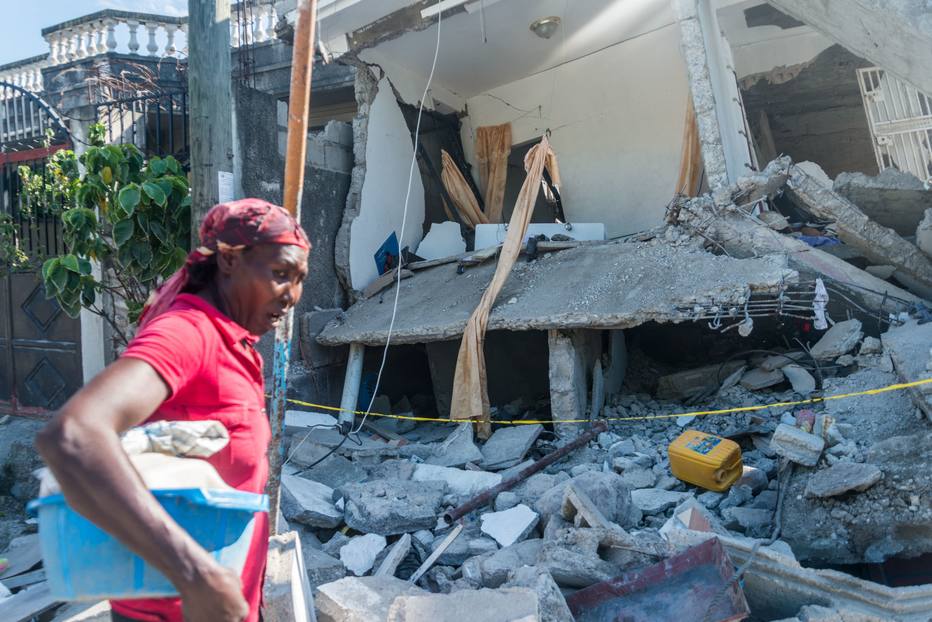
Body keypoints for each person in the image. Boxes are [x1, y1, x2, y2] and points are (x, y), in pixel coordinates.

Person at [36, 199, 311, 622]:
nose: (291, 296)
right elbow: (73, 436)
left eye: (299, 280)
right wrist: (195, 573)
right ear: (229, 260)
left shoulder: (233, 342)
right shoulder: (187, 333)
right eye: (280, 275)